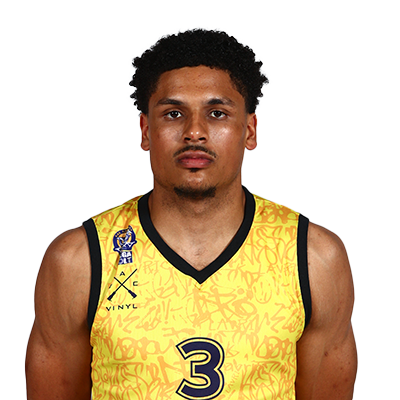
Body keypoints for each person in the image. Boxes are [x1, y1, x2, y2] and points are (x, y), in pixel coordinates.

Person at [25, 27, 357, 399]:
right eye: (173, 114)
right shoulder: (80, 260)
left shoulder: (313, 258)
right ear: (146, 130)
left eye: (216, 113)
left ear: (249, 130)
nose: (194, 132)